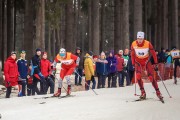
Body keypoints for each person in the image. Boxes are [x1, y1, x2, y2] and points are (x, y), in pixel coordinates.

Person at [131, 31, 163, 100]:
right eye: (138, 39)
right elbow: (132, 54)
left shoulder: (148, 43)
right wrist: (133, 63)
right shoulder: (133, 44)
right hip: (138, 62)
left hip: (146, 61)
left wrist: (155, 63)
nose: (139, 40)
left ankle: (158, 92)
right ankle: (143, 92)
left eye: (141, 39)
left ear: (143, 38)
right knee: (138, 77)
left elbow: (153, 53)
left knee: (151, 77)